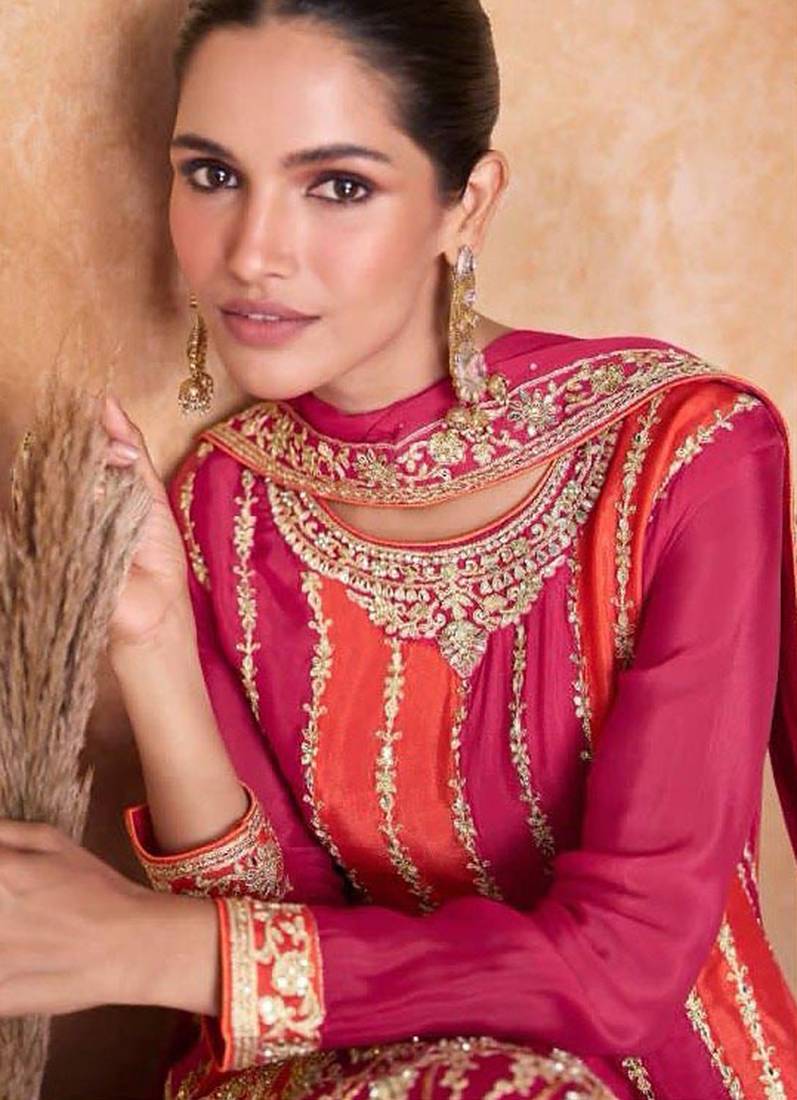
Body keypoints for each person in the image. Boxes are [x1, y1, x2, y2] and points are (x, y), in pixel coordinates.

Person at [1, 2, 796, 1098]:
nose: (252, 253)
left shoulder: (684, 453)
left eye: (337, 185)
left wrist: (139, 946)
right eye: (212, 175)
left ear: (466, 204)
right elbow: (269, 936)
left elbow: (625, 965)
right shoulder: (226, 498)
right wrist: (154, 643)